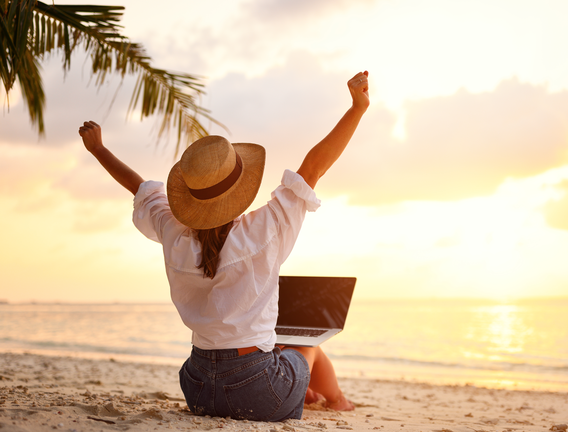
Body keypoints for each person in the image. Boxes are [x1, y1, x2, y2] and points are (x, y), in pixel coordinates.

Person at [78, 71, 370, 421]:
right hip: (255, 387)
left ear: (190, 199)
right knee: (307, 348)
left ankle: (294, 391)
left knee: (279, 356)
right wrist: (358, 107)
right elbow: (313, 167)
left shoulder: (173, 231)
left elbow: (138, 187)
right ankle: (337, 402)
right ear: (239, 193)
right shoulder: (267, 226)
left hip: (199, 387)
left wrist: (98, 149)